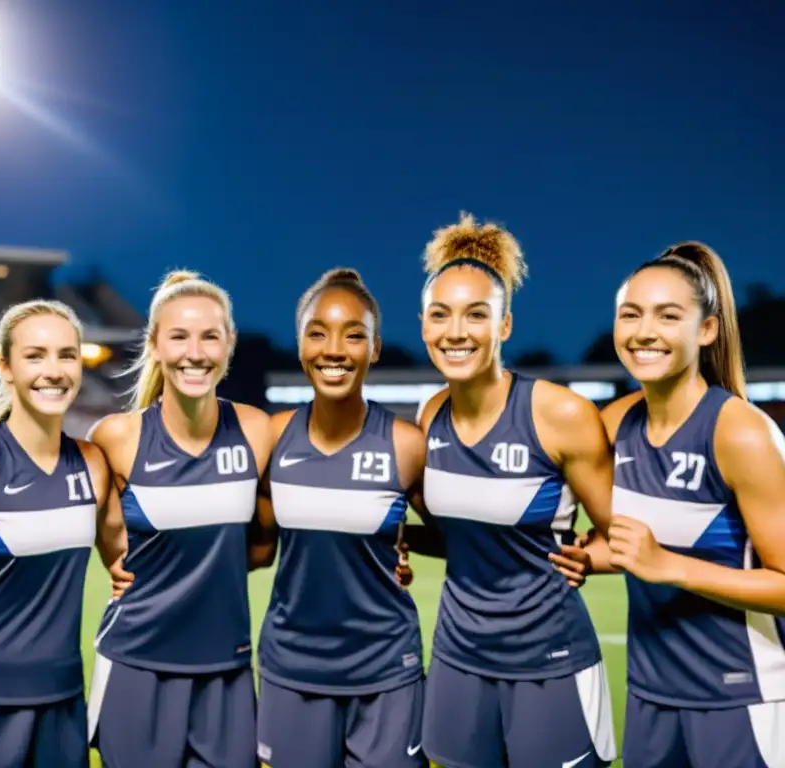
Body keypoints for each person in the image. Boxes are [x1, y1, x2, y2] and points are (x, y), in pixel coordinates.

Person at [411, 213, 617, 768]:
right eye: (441, 315)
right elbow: (455, 533)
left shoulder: (560, 415)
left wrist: (591, 557)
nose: (457, 332)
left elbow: (622, 535)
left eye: (477, 315)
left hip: (550, 660)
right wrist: (394, 541)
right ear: (424, 325)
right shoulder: (429, 417)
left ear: (504, 326)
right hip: (457, 658)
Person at [580, 243, 785, 767]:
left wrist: (668, 567)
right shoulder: (615, 423)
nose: (645, 331)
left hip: (739, 699)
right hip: (650, 697)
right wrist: (589, 557)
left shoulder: (739, 431)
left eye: (668, 316)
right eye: (631, 314)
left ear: (708, 329)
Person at [0, 300, 129, 767]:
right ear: (6, 367)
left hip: (63, 703)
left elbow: (129, 567)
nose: (53, 371)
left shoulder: (93, 464)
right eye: (35, 355)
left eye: (66, 355)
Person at [85, 270, 271, 767]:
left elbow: (270, 537)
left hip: (226, 668)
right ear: (155, 344)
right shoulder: (117, 437)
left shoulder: (256, 431)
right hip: (135, 665)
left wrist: (393, 550)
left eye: (210, 336)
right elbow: (103, 533)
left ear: (228, 344)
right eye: (179, 336)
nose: (196, 352)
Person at [249, 268, 428, 768]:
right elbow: (259, 548)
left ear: (374, 348)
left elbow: (452, 533)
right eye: (318, 332)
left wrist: (401, 537)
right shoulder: (272, 438)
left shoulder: (406, 444)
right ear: (300, 343)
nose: (334, 349)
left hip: (388, 671)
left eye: (354, 334)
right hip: (292, 670)